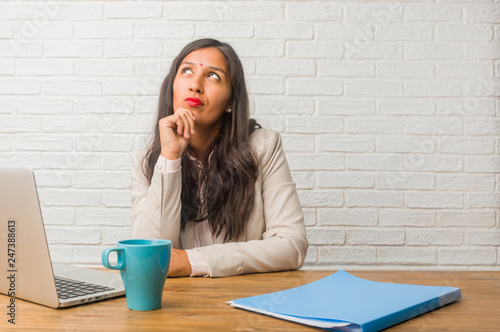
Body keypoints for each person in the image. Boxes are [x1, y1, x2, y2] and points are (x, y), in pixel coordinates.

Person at [130, 38, 308, 277]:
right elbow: (149, 259)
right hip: (178, 305)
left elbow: (291, 246)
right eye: (187, 71)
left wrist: (192, 261)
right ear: (171, 87)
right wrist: (170, 158)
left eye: (213, 76)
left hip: (247, 300)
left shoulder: (264, 147)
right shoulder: (146, 163)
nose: (195, 85)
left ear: (231, 102)